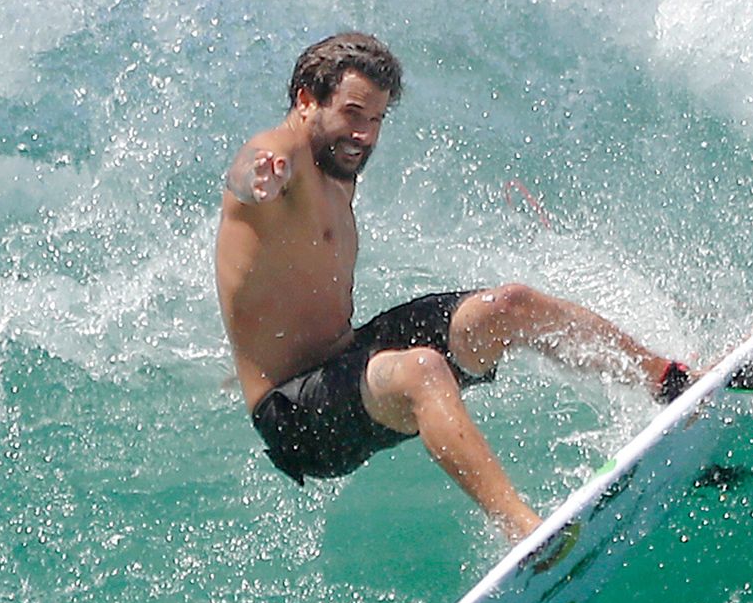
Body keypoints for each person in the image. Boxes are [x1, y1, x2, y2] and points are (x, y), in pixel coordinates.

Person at [214, 31, 712, 543]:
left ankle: (670, 380)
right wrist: (258, 178)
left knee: (511, 305)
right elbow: (250, 167)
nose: (364, 134)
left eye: (377, 119)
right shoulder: (282, 154)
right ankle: (522, 531)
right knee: (422, 371)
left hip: (346, 361)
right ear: (305, 101)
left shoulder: (337, 167)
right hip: (294, 414)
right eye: (353, 112)